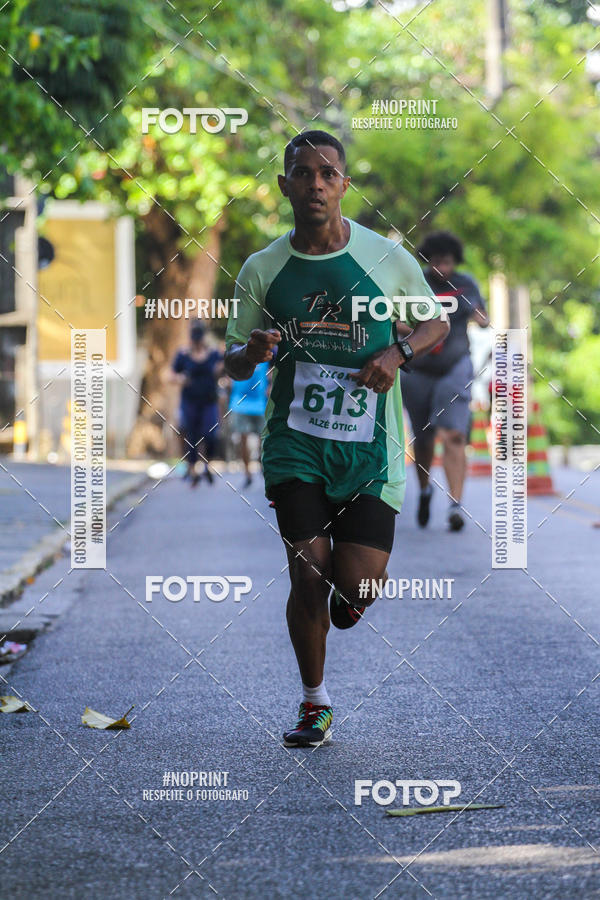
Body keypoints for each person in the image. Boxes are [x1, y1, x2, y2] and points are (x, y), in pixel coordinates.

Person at [224, 130, 448, 747]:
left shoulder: (386, 257)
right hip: (295, 443)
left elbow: (436, 324)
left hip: (370, 451)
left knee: (357, 586)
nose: (316, 183)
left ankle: (349, 601)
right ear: (285, 185)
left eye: (328, 173)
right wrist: (252, 351)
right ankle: (314, 702)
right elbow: (233, 363)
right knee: (307, 572)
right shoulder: (262, 269)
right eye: (303, 172)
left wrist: (398, 353)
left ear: (345, 184)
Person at [398, 230, 489, 532]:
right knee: (423, 439)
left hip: (455, 367)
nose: (442, 267)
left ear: (455, 262)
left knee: (454, 434)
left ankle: (455, 505)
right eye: (436, 261)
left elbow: (483, 317)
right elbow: (392, 319)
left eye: (447, 262)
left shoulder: (465, 284)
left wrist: (477, 314)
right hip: (418, 368)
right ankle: (425, 490)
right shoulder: (413, 282)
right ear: (428, 260)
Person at [170, 322, 223, 487]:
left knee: (211, 434)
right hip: (190, 401)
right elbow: (170, 375)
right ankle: (193, 470)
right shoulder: (183, 354)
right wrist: (180, 379)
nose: (197, 342)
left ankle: (207, 465)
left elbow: (225, 370)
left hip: (209, 401)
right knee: (191, 435)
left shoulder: (214, 353)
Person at [227, 361, 270, 488]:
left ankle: (263, 468)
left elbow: (275, 369)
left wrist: (270, 384)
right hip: (239, 403)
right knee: (243, 438)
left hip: (260, 403)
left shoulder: (267, 351)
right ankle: (247, 473)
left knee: (263, 440)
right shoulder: (237, 351)